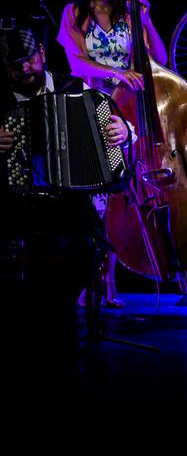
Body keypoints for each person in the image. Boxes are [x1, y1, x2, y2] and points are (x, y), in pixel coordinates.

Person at [0, 28, 130, 371]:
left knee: (84, 246)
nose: (26, 69)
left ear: (42, 52)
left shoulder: (75, 89)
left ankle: (60, 335)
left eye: (29, 59)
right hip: (16, 202)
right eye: (16, 66)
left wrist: (124, 132)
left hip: (69, 202)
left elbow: (116, 123)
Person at [57, 0, 165, 307]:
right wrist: (118, 72)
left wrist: (146, 19)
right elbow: (77, 64)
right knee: (95, 200)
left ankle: (110, 278)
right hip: (91, 108)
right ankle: (92, 278)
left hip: (127, 109)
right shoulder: (74, 12)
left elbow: (160, 62)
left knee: (120, 196)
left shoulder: (128, 14)